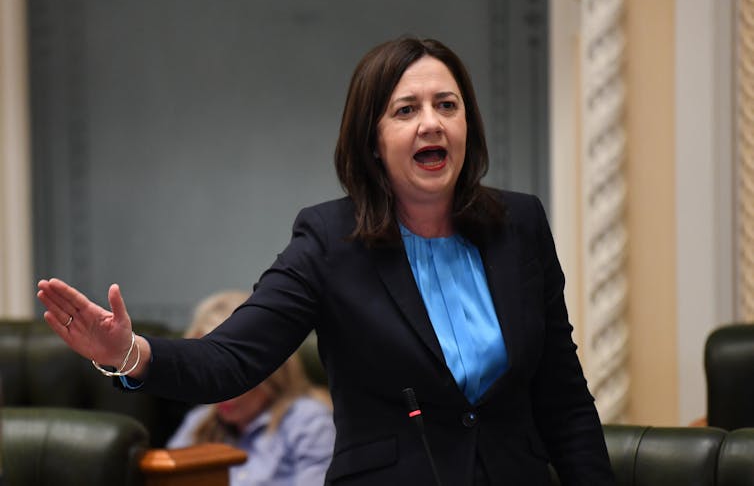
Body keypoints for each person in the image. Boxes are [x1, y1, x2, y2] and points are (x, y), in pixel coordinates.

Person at [37, 36, 617, 485]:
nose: (432, 122)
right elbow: (230, 360)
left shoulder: (519, 227)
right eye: (405, 110)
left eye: (447, 105)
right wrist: (128, 354)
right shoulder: (330, 241)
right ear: (372, 140)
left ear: (468, 125)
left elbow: (563, 397)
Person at [167, 290, 335, 486]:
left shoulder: (309, 421)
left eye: (225, 372)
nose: (215, 388)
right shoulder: (200, 420)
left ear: (267, 367)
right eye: (204, 373)